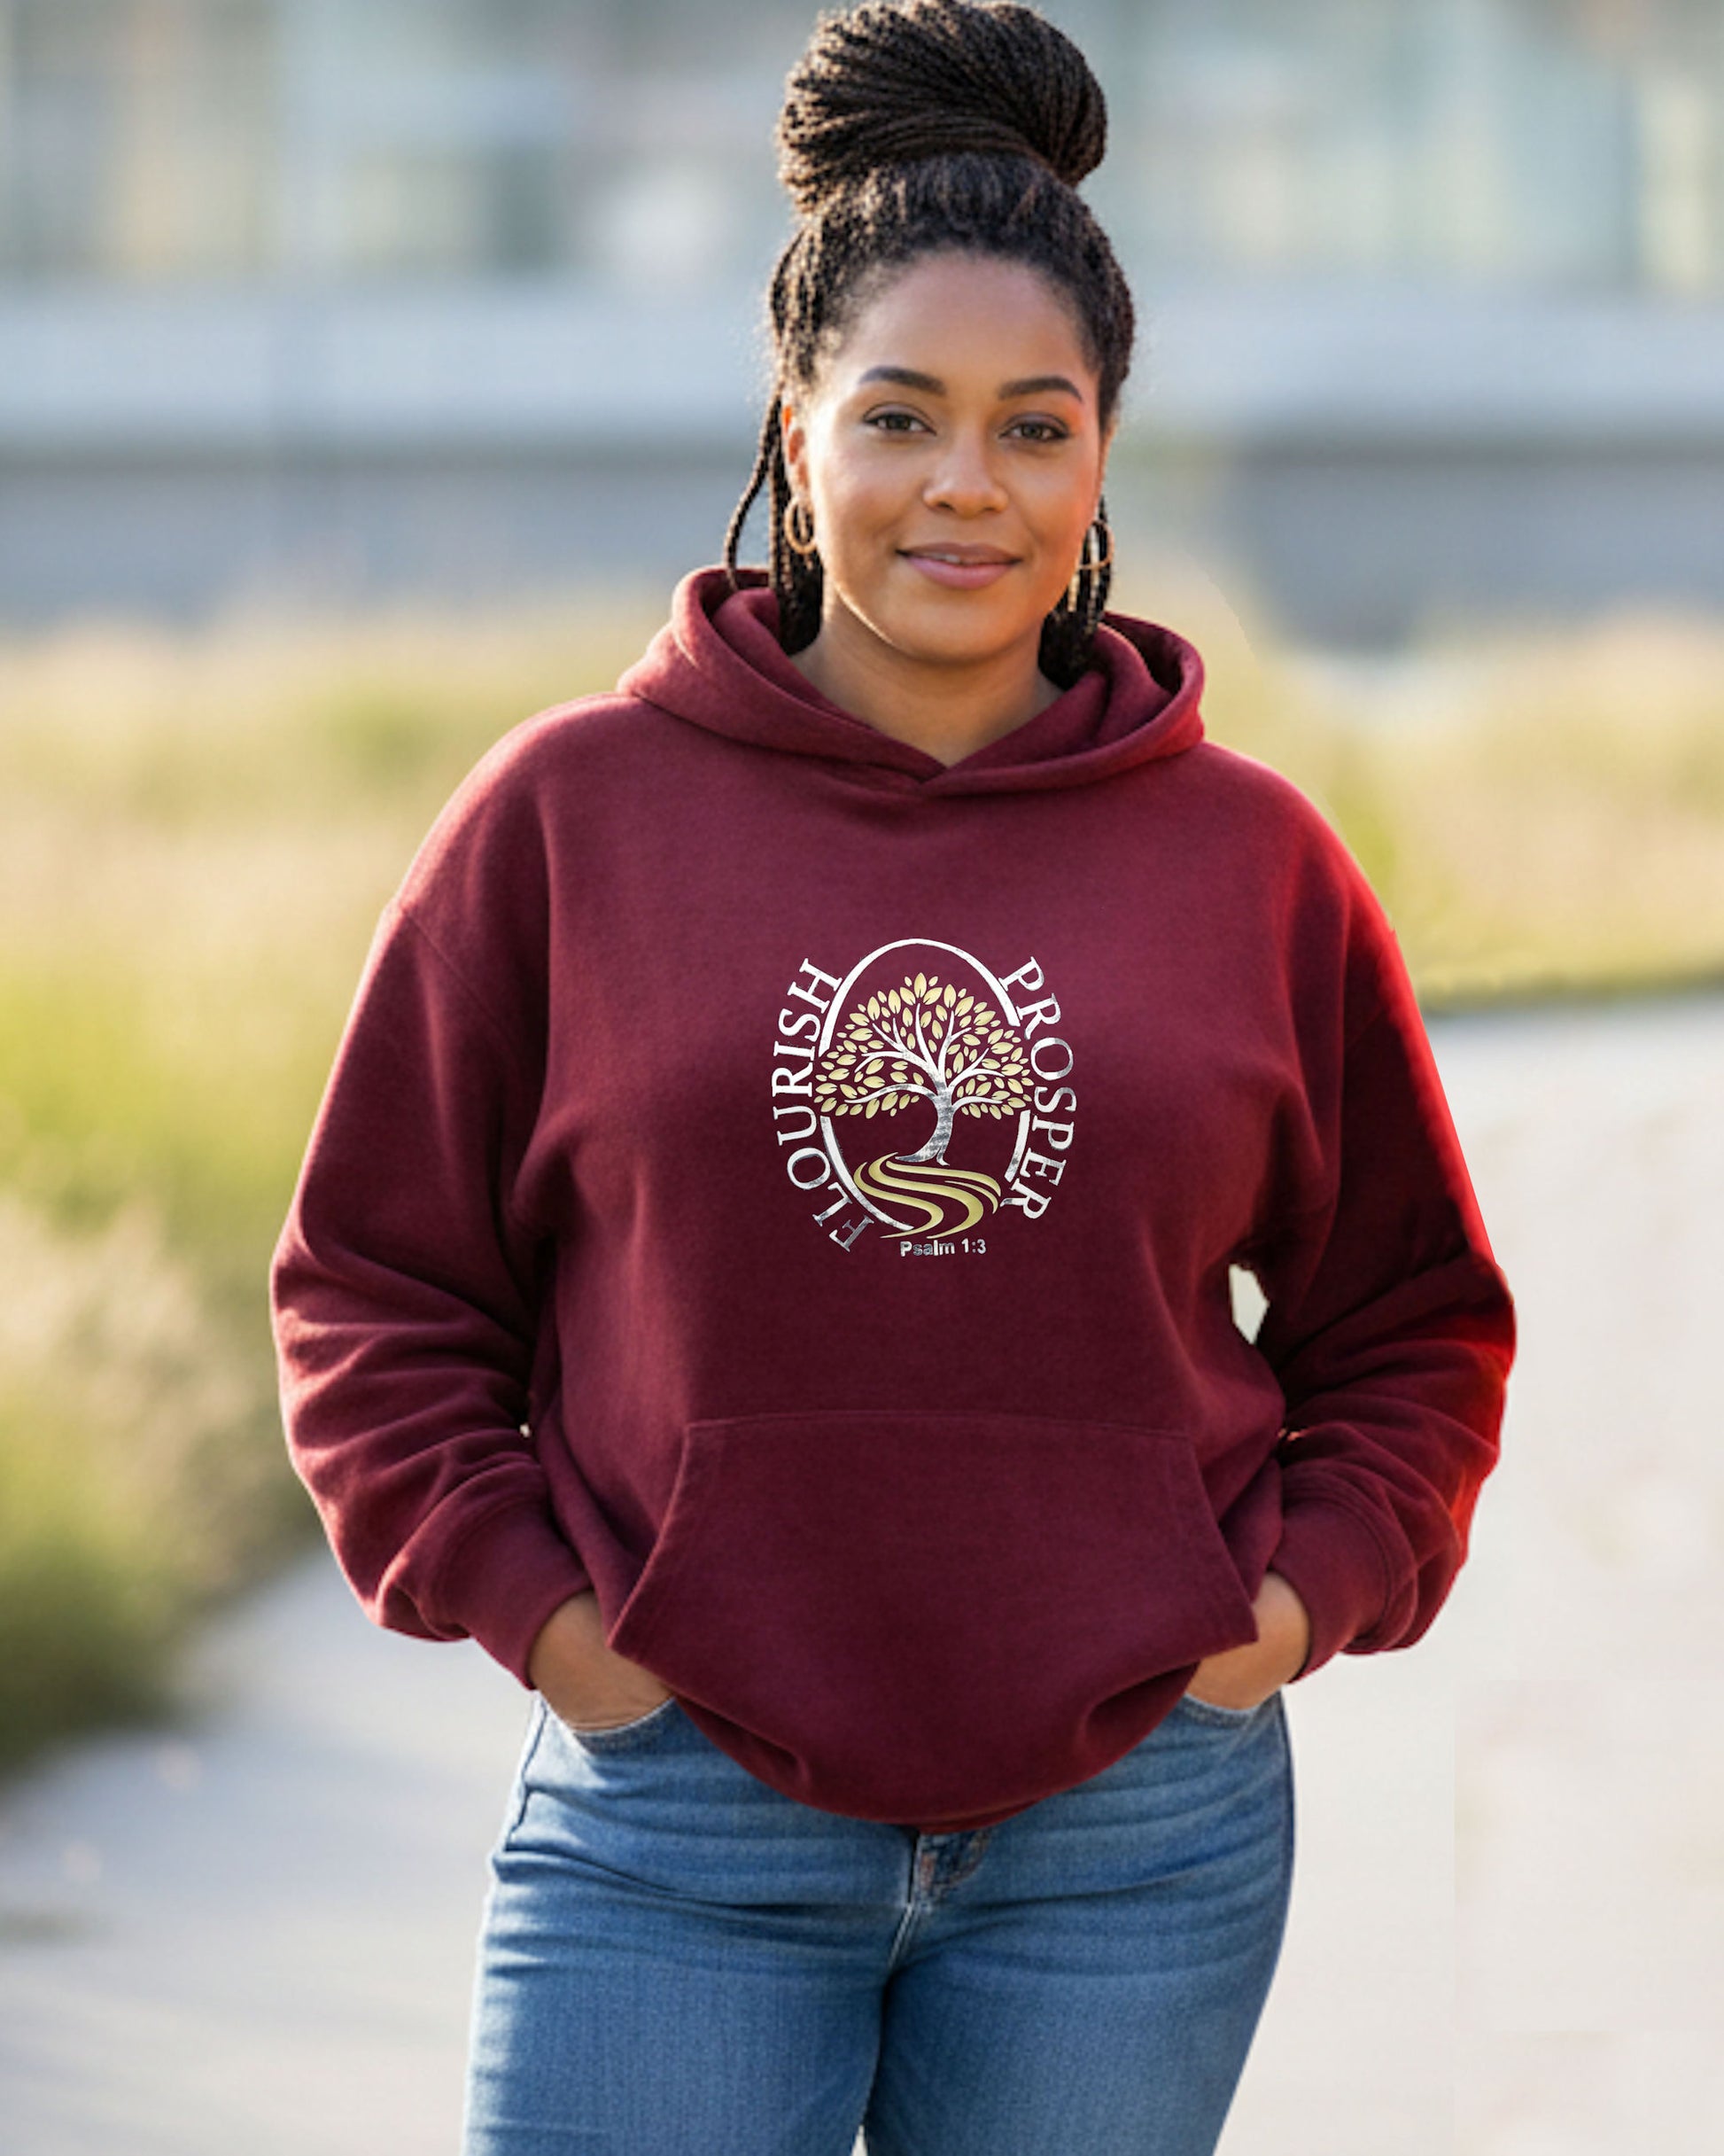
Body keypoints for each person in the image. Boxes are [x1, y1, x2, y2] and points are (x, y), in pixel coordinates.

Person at [269, 4, 1517, 2151]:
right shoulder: (567, 818)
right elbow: (374, 1286)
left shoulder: (1252, 862)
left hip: (1132, 1839)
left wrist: (1284, 1604)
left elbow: (1412, 1318)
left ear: (1101, 453)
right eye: (900, 416)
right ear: (795, 428)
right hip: (677, 1812)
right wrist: (546, 1619)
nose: (966, 484)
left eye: (1035, 426)